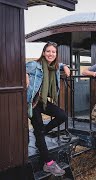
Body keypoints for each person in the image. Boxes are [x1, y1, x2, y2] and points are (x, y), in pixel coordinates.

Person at [26, 42, 70, 176]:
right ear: (43, 53)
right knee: (38, 130)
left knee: (62, 115)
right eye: (48, 51)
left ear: (56, 55)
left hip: (42, 101)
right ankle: (48, 163)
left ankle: (41, 132)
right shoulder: (35, 65)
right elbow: (18, 66)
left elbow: (58, 65)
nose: (51, 54)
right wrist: (25, 74)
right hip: (32, 102)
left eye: (53, 52)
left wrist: (65, 66)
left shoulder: (55, 67)